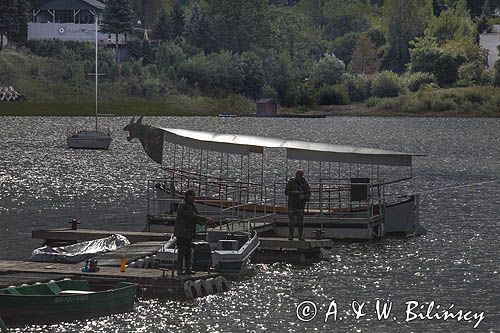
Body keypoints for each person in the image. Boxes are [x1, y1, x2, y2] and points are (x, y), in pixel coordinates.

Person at [174, 189, 213, 275]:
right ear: (188, 196)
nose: (194, 198)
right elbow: (191, 216)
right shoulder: (184, 205)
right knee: (182, 251)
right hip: (182, 232)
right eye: (193, 196)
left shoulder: (192, 205)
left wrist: (203, 223)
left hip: (189, 233)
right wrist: (205, 219)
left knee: (188, 252)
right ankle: (179, 270)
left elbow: (195, 217)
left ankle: (188, 269)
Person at [285, 170, 311, 241]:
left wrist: (304, 197)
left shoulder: (305, 183)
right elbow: (286, 191)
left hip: (301, 205)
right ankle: (291, 236)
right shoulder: (291, 182)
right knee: (291, 222)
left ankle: (300, 236)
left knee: (300, 222)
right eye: (297, 174)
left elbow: (308, 194)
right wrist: (294, 192)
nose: (297, 175)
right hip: (292, 205)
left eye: (299, 174)